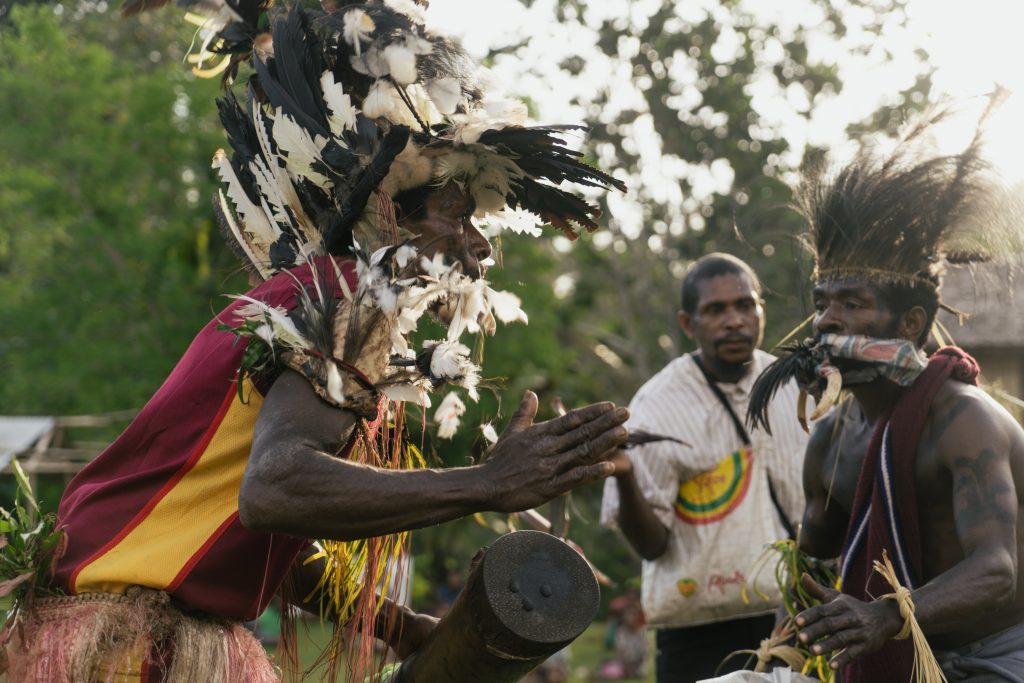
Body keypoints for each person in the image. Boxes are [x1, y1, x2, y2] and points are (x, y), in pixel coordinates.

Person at [1, 1, 630, 681]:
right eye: (458, 215)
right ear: (391, 211)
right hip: (128, 646)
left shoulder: (314, 297)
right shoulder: (348, 297)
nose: (479, 244)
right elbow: (274, 489)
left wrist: (396, 624)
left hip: (112, 626)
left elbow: (259, 527)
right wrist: (487, 481)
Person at [746, 103, 1024, 682]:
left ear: (909, 324)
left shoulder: (963, 422)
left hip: (999, 650)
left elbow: (998, 569)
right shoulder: (829, 440)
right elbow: (813, 561)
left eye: (852, 304)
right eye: (822, 303)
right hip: (890, 653)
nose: (826, 321)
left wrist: (887, 615)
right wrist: (775, 655)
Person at [600, 253, 808, 682]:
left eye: (745, 305)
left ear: (760, 311)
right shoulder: (656, 407)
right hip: (700, 634)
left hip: (798, 618)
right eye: (716, 310)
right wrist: (625, 477)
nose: (734, 321)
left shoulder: (796, 388)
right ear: (687, 324)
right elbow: (652, 546)